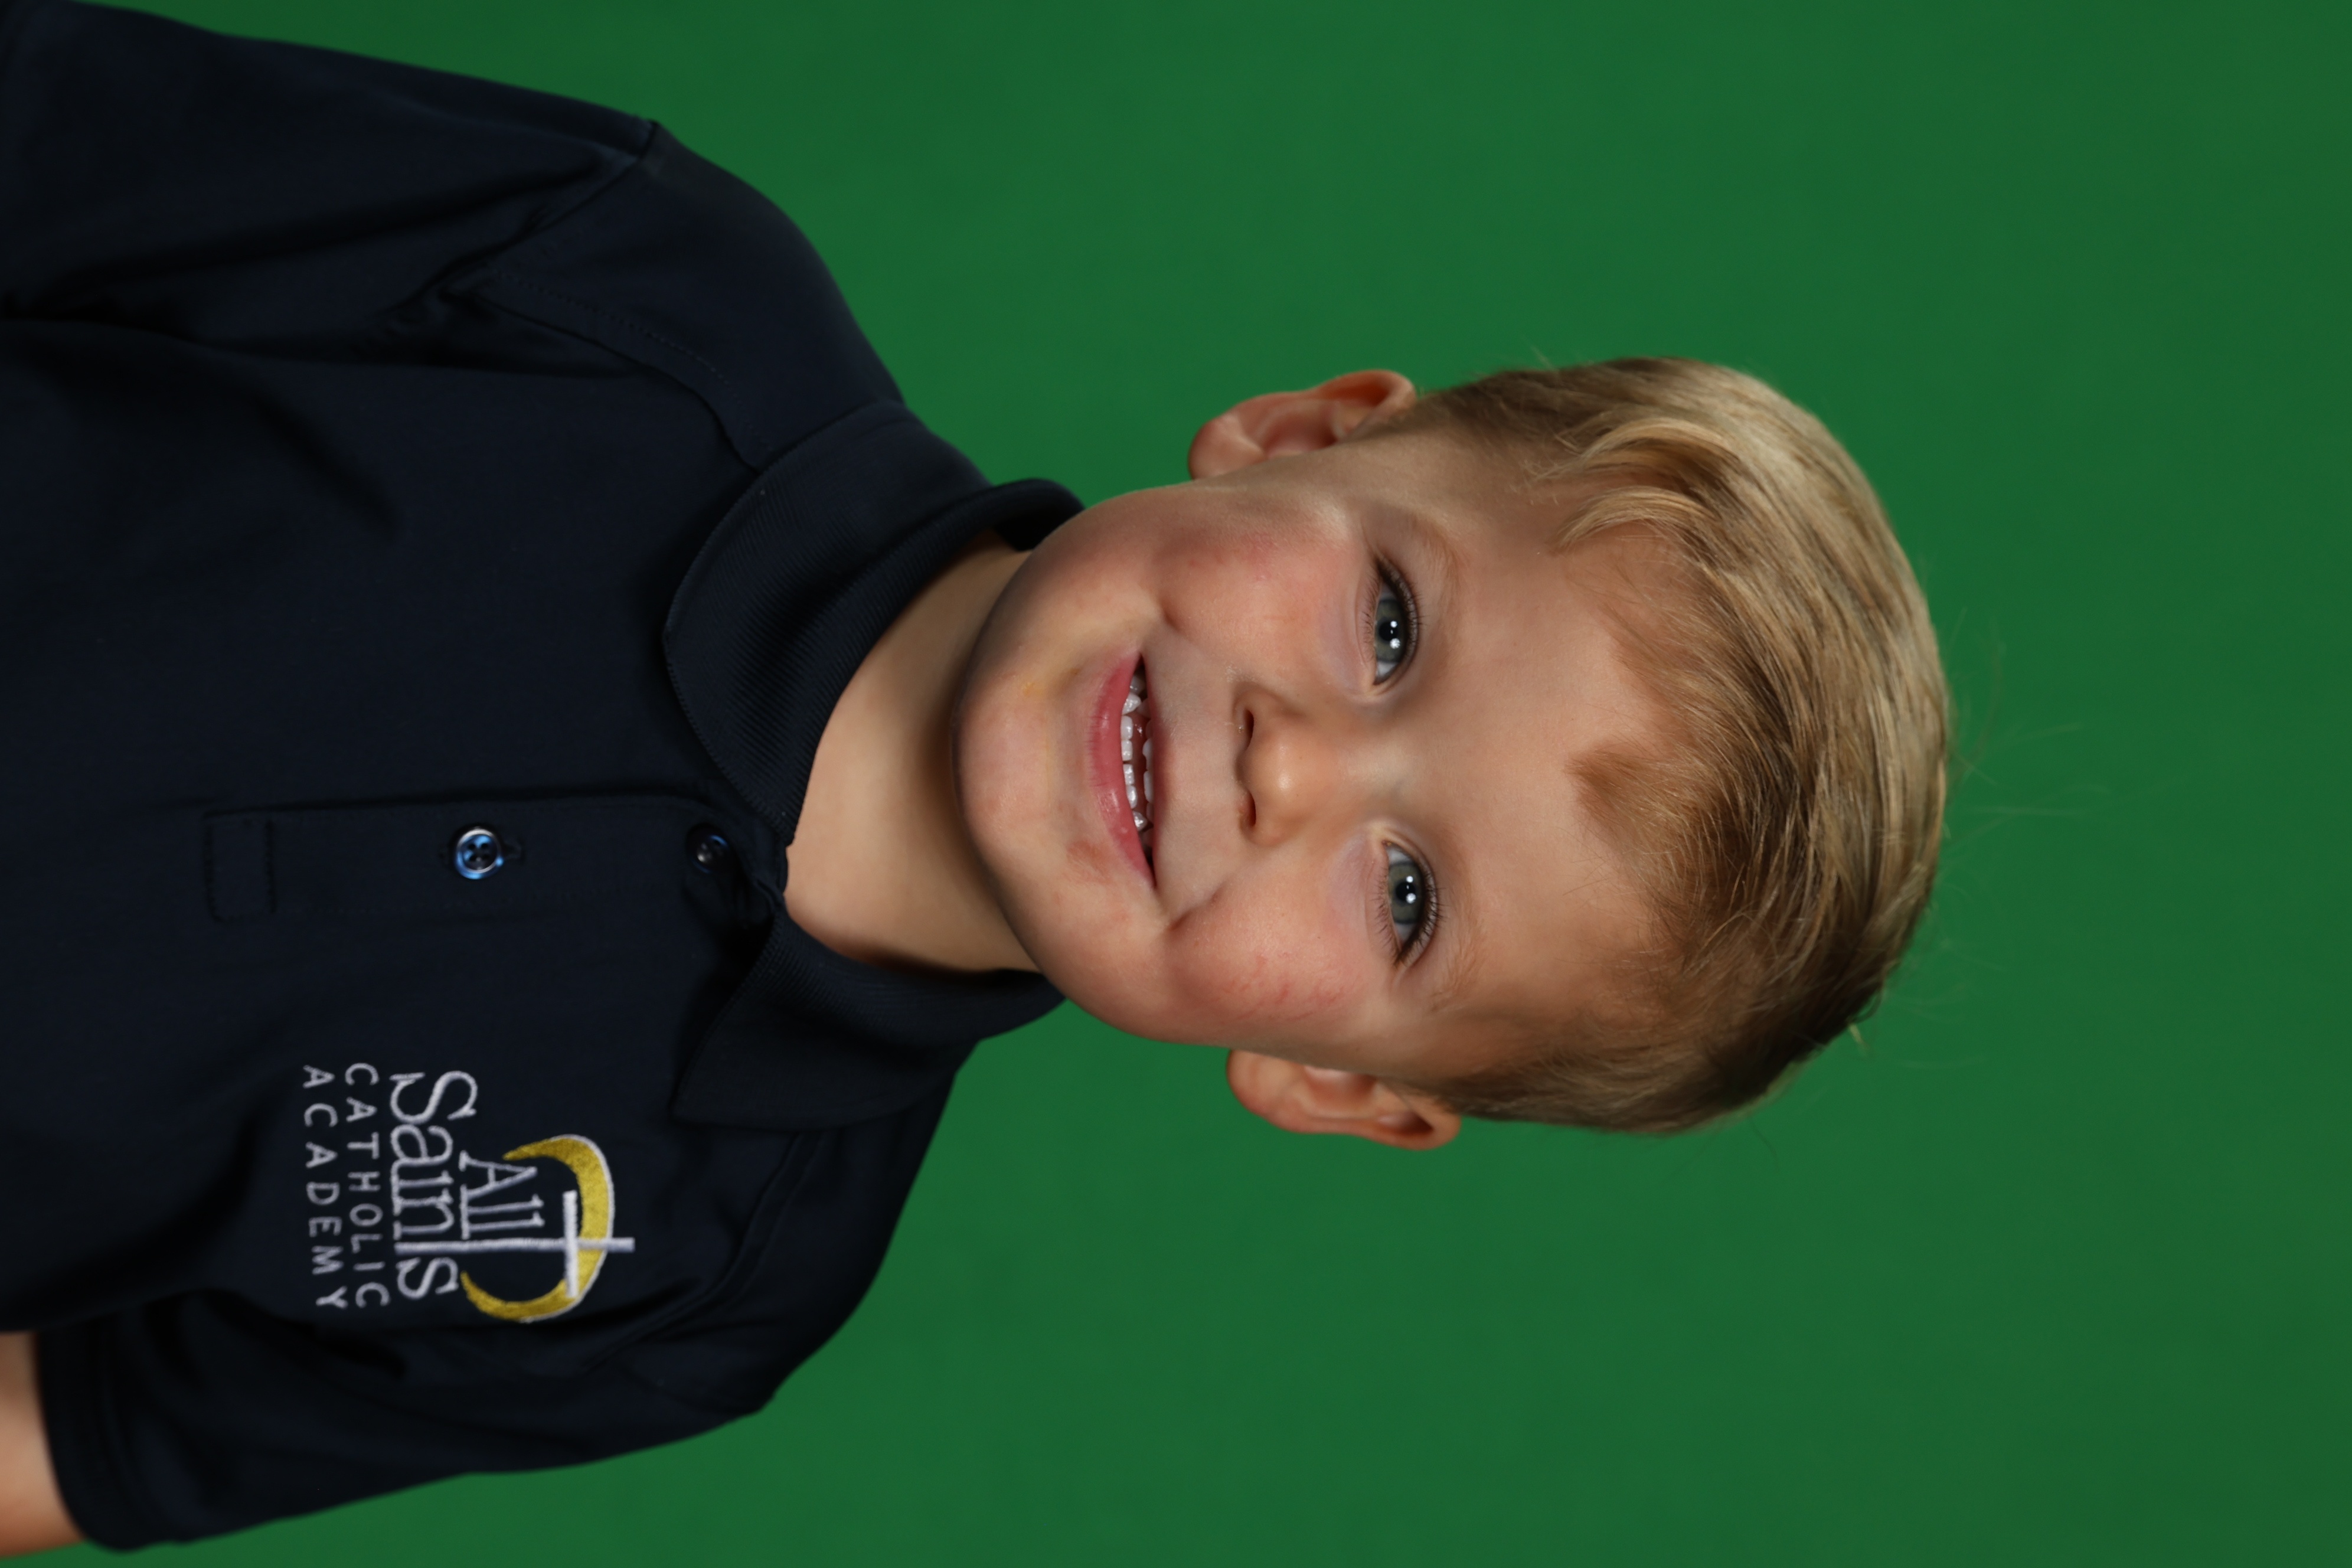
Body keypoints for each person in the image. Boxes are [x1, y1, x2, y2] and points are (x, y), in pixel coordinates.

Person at [0, 0, 1947, 1553]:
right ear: (1302, 434)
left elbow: (74, 1436)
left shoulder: (709, 1285)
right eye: (1388, 627)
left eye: (1410, 893)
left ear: (1339, 1082)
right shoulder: (625, 281)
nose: (1291, 766)